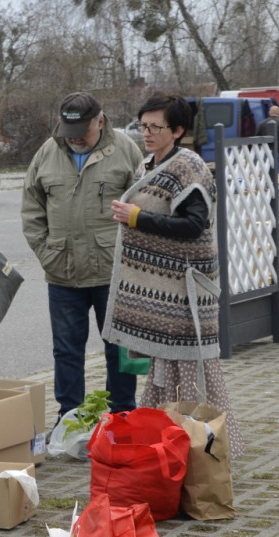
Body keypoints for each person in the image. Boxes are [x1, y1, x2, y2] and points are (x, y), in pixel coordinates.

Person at [103, 92, 245, 459]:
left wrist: (137, 218)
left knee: (192, 372)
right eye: (143, 125)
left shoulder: (189, 167)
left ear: (178, 130)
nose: (146, 133)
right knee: (163, 368)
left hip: (186, 296)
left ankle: (204, 452)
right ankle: (166, 446)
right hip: (162, 297)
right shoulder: (149, 164)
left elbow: (195, 225)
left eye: (155, 127)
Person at [21, 91, 142, 420]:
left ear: (100, 121)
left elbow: (144, 209)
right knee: (66, 351)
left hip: (113, 273)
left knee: (121, 348)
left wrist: (131, 257)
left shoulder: (126, 151)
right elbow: (32, 209)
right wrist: (47, 254)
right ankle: (69, 418)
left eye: (81, 132)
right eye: (67, 132)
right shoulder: (47, 152)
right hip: (62, 274)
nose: (73, 139)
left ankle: (122, 417)